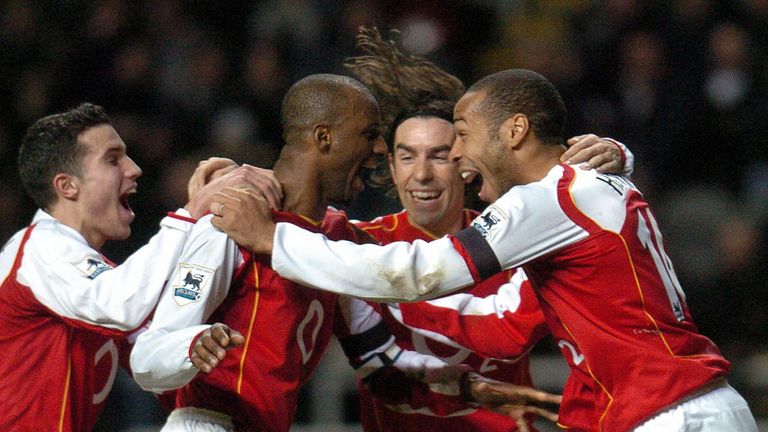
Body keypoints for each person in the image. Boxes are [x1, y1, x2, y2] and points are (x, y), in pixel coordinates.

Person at [212, 69, 759, 431]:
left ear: (515, 131)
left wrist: (271, 237)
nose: (459, 159)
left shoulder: (546, 205)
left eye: (463, 138)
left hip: (667, 413)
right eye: (408, 155)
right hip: (675, 407)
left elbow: (425, 277)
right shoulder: (594, 184)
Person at [130, 74, 559, 432]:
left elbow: (379, 362)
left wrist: (469, 389)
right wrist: (191, 346)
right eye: (371, 135)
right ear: (324, 137)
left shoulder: (336, 239)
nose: (378, 150)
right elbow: (148, 357)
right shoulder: (233, 220)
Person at [341, 27, 633, 432]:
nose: (422, 175)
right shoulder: (357, 241)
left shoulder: (519, 235)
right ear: (391, 167)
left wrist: (616, 155)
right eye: (407, 158)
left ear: (463, 161)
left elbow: (510, 331)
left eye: (440, 156)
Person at [0, 103, 273, 432]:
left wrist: (195, 345)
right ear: (67, 186)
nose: (133, 169)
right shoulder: (41, 249)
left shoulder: (88, 277)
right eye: (113, 159)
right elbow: (121, 305)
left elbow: (147, 355)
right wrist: (188, 215)